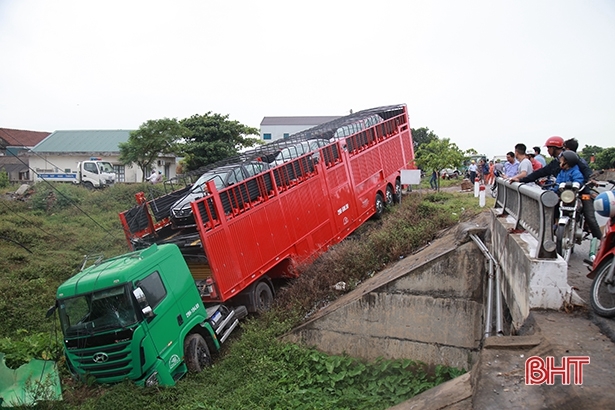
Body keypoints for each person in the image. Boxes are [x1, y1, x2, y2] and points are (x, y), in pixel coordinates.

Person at [563, 138, 602, 240]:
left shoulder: (580, 161)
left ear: (568, 149)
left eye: (564, 148)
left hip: (582, 191)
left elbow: (588, 172)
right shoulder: (561, 163)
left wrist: (591, 179)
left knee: (590, 217)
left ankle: (600, 242)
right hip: (567, 193)